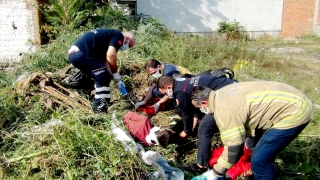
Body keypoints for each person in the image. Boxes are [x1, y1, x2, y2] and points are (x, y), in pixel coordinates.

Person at [190, 82, 314, 180]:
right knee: (260, 154)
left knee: (260, 159)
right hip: (293, 97)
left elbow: (233, 147)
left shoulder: (223, 111)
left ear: (204, 102)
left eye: (199, 107)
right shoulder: (221, 93)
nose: (201, 110)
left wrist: (215, 173)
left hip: (295, 112)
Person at [67, 28, 135, 113]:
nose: (128, 48)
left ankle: (104, 105)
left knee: (105, 75)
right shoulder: (118, 35)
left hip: (75, 55)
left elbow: (105, 62)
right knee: (102, 76)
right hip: (81, 54)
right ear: (127, 38)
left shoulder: (104, 41)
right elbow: (110, 55)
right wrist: (115, 73)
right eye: (130, 45)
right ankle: (99, 108)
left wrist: (116, 79)